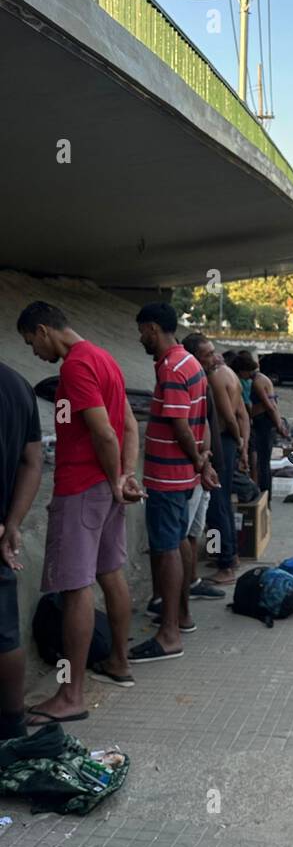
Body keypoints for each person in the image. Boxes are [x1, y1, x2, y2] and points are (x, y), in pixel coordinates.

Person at [17, 302, 142, 720]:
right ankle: (120, 662)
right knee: (110, 574)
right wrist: (124, 477)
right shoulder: (104, 358)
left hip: (82, 489)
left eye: (30, 342)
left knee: (74, 588)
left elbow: (105, 432)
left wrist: (112, 478)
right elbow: (127, 426)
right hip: (107, 489)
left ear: (43, 330)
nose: (34, 352)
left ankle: (70, 697)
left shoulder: (75, 366)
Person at [130, 303, 214, 663]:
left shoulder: (171, 367)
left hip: (168, 476)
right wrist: (202, 462)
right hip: (183, 475)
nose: (140, 338)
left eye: (141, 331)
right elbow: (201, 420)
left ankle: (168, 635)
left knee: (166, 550)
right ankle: (181, 616)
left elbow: (181, 424)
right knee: (178, 543)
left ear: (152, 328)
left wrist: (197, 460)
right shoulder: (191, 363)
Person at [182, 335, 249, 585]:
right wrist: (241, 442)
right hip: (228, 443)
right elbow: (242, 413)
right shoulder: (228, 373)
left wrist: (237, 441)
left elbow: (230, 417)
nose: (214, 358)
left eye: (212, 353)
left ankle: (226, 563)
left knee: (216, 506)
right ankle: (227, 556)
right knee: (221, 505)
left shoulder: (215, 377)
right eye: (208, 354)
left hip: (223, 443)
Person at [0, 363, 43, 740]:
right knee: (5, 632)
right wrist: (13, 521)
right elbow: (33, 461)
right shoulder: (18, 383)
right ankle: (12, 725)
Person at [230, 351, 289, 504]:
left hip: (264, 424)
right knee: (261, 462)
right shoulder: (261, 378)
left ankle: (265, 497)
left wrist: (279, 425)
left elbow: (269, 406)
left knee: (263, 464)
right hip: (265, 423)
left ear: (243, 370)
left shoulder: (257, 382)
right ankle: (264, 496)